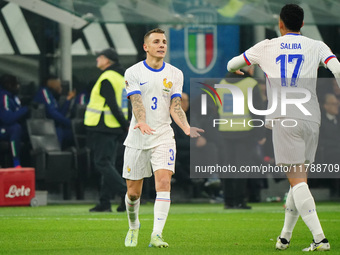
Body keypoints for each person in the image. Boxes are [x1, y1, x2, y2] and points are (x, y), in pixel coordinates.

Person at [227, 4, 340, 251]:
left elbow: (231, 64)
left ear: (280, 23)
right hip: (312, 117)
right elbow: (337, 68)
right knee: (297, 181)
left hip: (285, 117)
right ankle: (285, 237)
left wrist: (245, 66)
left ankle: (320, 238)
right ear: (302, 23)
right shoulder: (316, 46)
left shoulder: (266, 46)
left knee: (297, 181)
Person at [123, 28, 203, 248]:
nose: (162, 45)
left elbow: (175, 106)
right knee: (132, 193)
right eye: (156, 41)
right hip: (138, 136)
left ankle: (156, 235)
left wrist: (186, 127)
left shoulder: (175, 73)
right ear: (145, 47)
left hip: (164, 136)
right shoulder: (133, 72)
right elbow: (136, 101)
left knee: (164, 182)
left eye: (164, 42)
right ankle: (133, 226)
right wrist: (142, 121)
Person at [85, 48, 129, 213]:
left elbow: (111, 104)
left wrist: (125, 124)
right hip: (114, 127)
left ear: (108, 60)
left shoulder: (107, 77)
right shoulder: (121, 77)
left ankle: (127, 194)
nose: (97, 59)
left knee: (102, 163)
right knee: (107, 163)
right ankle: (104, 202)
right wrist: (124, 123)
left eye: (100, 56)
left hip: (103, 125)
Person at [217, 66, 266, 209]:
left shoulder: (222, 83)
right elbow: (257, 110)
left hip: (225, 130)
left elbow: (216, 108)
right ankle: (239, 200)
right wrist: (260, 133)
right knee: (241, 167)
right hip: (245, 132)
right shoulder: (250, 84)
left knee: (228, 166)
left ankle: (228, 201)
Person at [33, 76, 76, 149]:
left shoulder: (52, 96)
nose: (60, 86)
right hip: (46, 128)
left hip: (54, 127)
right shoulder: (44, 92)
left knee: (73, 133)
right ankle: (56, 155)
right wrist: (69, 123)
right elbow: (52, 113)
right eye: (58, 83)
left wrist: (68, 100)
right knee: (59, 131)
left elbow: (60, 114)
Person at [0, 74, 28, 167]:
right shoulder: (3, 96)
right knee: (15, 128)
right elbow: (7, 118)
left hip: (7, 127)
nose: (18, 86)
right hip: (2, 128)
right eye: (16, 84)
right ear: (9, 85)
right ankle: (16, 163)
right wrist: (25, 109)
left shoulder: (14, 97)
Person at [317, 93, 340, 197]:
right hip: (327, 153)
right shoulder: (321, 122)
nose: (337, 106)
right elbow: (320, 141)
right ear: (325, 106)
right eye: (333, 104)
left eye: (337, 103)